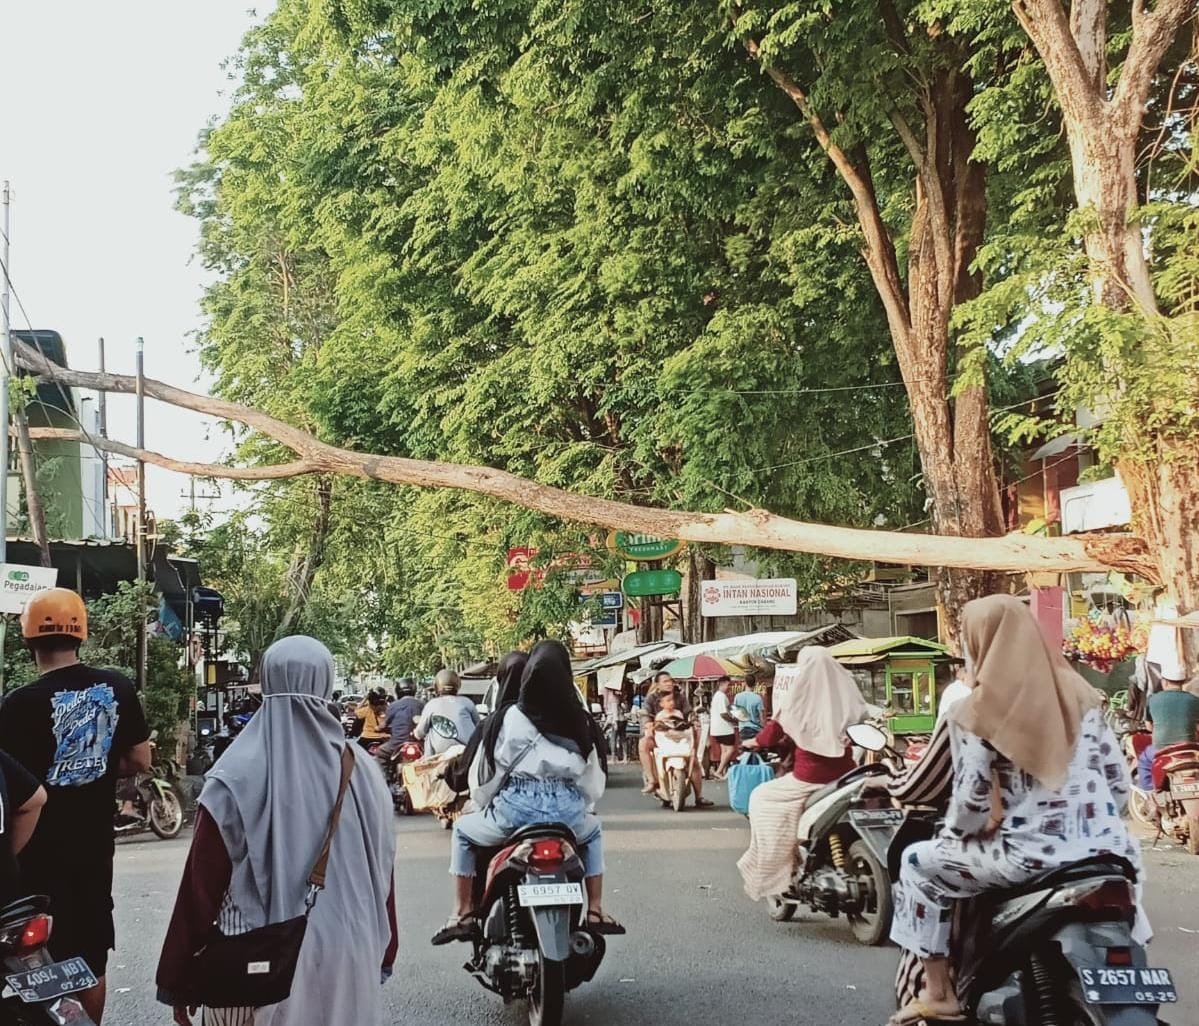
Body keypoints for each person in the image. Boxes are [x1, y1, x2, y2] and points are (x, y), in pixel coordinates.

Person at [887, 595, 1145, 1026]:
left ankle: (938, 993)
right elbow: (1119, 787)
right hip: (1111, 854)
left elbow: (970, 801)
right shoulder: (1084, 697)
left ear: (978, 644)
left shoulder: (976, 709)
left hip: (1028, 858)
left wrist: (955, 835)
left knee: (916, 864)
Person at [157, 636, 397, 1026]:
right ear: (326, 683)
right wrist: (384, 953)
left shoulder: (234, 776)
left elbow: (201, 886)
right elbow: (381, 871)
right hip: (349, 955)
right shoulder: (365, 772)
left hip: (254, 966)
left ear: (266, 683)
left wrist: (176, 976)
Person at [0, 588, 151, 1024]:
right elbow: (139, 759)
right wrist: (97, 768)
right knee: (90, 956)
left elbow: (13, 788)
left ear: (27, 640)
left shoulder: (17, 705)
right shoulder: (116, 687)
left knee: (30, 959)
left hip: (33, 858)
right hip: (92, 850)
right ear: (82, 634)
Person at [432, 640, 623, 943]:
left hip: (514, 808)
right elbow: (593, 778)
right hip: (568, 811)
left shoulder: (508, 717)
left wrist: (484, 802)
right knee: (594, 831)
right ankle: (596, 909)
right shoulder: (581, 719)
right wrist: (581, 804)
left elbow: (489, 772)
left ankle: (463, 911)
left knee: (463, 833)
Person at [736, 647, 866, 900]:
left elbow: (773, 732)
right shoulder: (849, 692)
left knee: (762, 797)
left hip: (809, 778)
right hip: (847, 776)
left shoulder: (800, 694)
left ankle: (776, 866)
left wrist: (754, 742)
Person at [444, 652, 527, 795]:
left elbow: (460, 777)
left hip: (504, 808)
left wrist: (450, 767)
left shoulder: (493, 724)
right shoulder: (561, 723)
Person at [640, 672, 711, 807]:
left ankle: (699, 797)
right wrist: (647, 723)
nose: (669, 683)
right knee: (643, 744)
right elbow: (645, 713)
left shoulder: (681, 698)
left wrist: (694, 720)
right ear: (658, 684)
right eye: (665, 681)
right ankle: (651, 780)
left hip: (680, 735)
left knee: (693, 759)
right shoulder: (651, 699)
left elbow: (689, 712)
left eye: (670, 681)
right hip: (660, 736)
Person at [1140, 662, 1199, 790]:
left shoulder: (1152, 699)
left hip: (1161, 749)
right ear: (1183, 682)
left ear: (1164, 682)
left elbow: (1149, 727)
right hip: (1191, 749)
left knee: (1144, 759)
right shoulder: (1194, 700)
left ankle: (1149, 790)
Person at [415, 669, 480, 756]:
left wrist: (415, 733)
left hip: (440, 755)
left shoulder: (431, 704)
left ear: (436, 686)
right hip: (467, 752)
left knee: (430, 733)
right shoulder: (467, 702)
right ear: (458, 685)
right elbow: (479, 727)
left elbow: (420, 733)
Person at [374, 678, 424, 772]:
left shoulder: (393, 706)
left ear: (398, 691)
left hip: (397, 744)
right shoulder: (422, 705)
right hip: (419, 745)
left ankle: (385, 781)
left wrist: (377, 728)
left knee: (380, 753)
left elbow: (383, 725)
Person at [708, 676, 739, 778]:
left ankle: (722, 771)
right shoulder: (721, 696)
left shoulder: (717, 695)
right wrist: (734, 720)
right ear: (722, 684)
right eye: (728, 685)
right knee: (730, 750)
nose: (729, 687)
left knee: (724, 751)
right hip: (724, 728)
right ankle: (719, 770)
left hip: (718, 729)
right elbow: (724, 714)